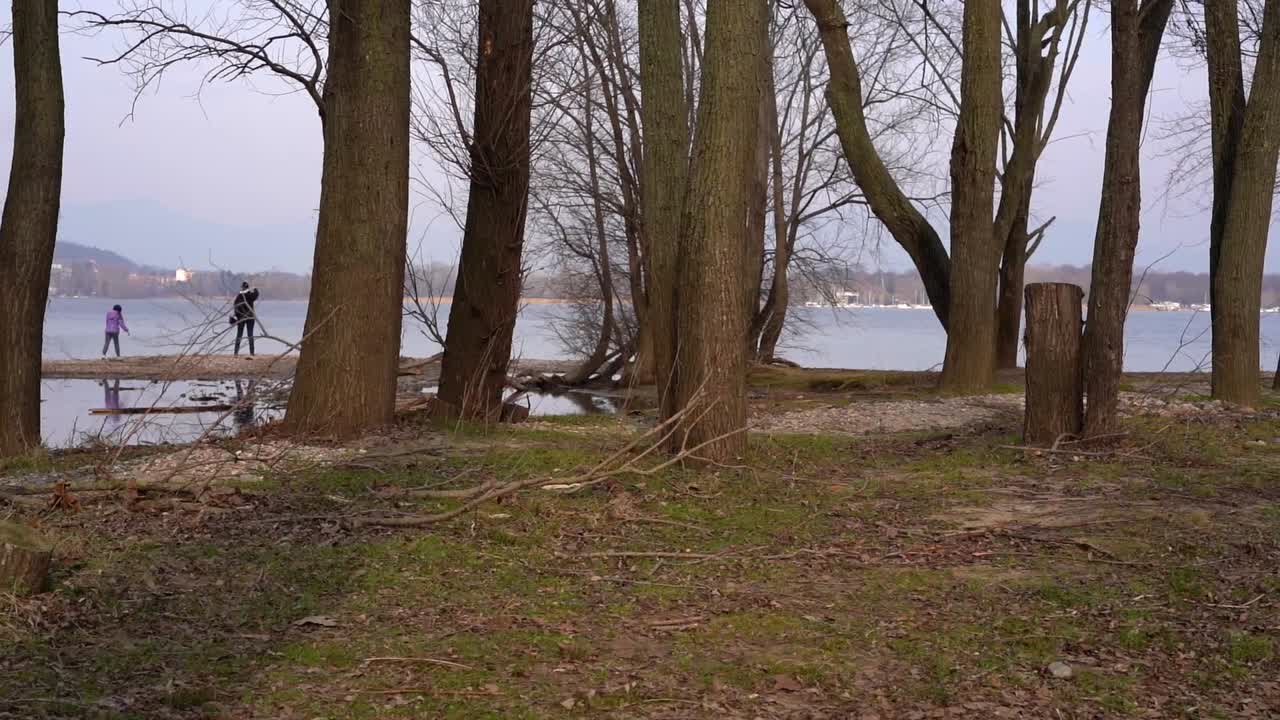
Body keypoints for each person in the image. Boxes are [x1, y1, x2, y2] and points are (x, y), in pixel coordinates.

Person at [232, 282, 260, 356]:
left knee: (239, 334)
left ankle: (235, 353)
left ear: (242, 288)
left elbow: (235, 307)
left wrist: (237, 316)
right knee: (250, 334)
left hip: (241, 318)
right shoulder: (250, 295)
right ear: (247, 288)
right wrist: (255, 288)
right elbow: (256, 294)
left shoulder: (239, 296)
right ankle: (252, 352)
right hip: (250, 317)